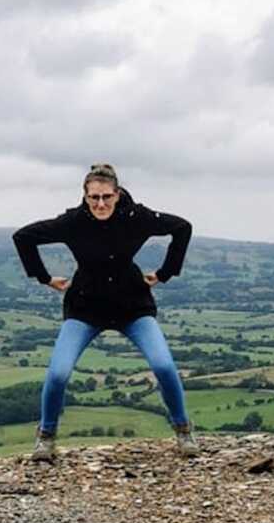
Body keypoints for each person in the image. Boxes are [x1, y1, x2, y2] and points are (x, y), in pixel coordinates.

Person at [12, 163, 198, 461]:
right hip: (85, 308)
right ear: (85, 197)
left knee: (163, 366)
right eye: (93, 198)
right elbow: (23, 236)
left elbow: (181, 228)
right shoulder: (73, 222)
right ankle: (46, 437)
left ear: (117, 193)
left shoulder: (137, 217)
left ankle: (183, 430)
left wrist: (165, 273)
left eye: (106, 197)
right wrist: (44, 278)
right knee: (58, 373)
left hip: (132, 306)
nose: (100, 204)